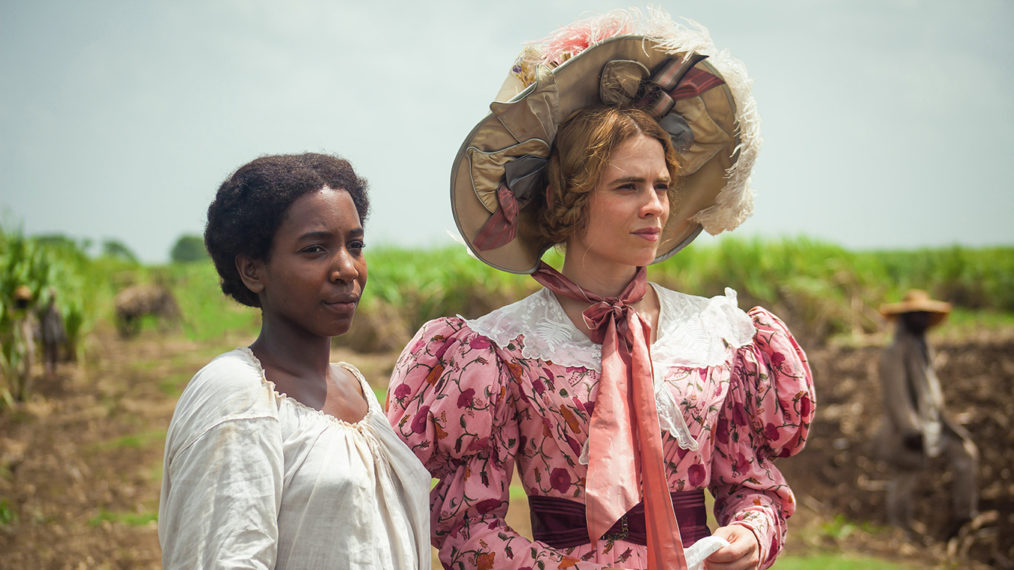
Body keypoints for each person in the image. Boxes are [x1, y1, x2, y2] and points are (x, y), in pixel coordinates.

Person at [386, 10, 814, 570]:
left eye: (662, 185)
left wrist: (749, 536)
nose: (655, 205)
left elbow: (752, 484)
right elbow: (467, 527)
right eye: (627, 186)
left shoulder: (720, 336)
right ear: (571, 198)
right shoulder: (497, 350)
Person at [158, 153, 431, 569]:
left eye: (355, 245)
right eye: (315, 249)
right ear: (253, 269)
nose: (347, 268)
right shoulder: (236, 395)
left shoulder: (356, 389)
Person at [875, 289, 978, 538]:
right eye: (916, 316)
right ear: (905, 319)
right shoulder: (894, 352)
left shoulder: (924, 348)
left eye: (924, 315)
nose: (921, 321)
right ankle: (900, 531)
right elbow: (896, 396)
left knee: (967, 454)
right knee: (904, 478)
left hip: (936, 424)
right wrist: (910, 429)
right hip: (910, 428)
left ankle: (964, 517)